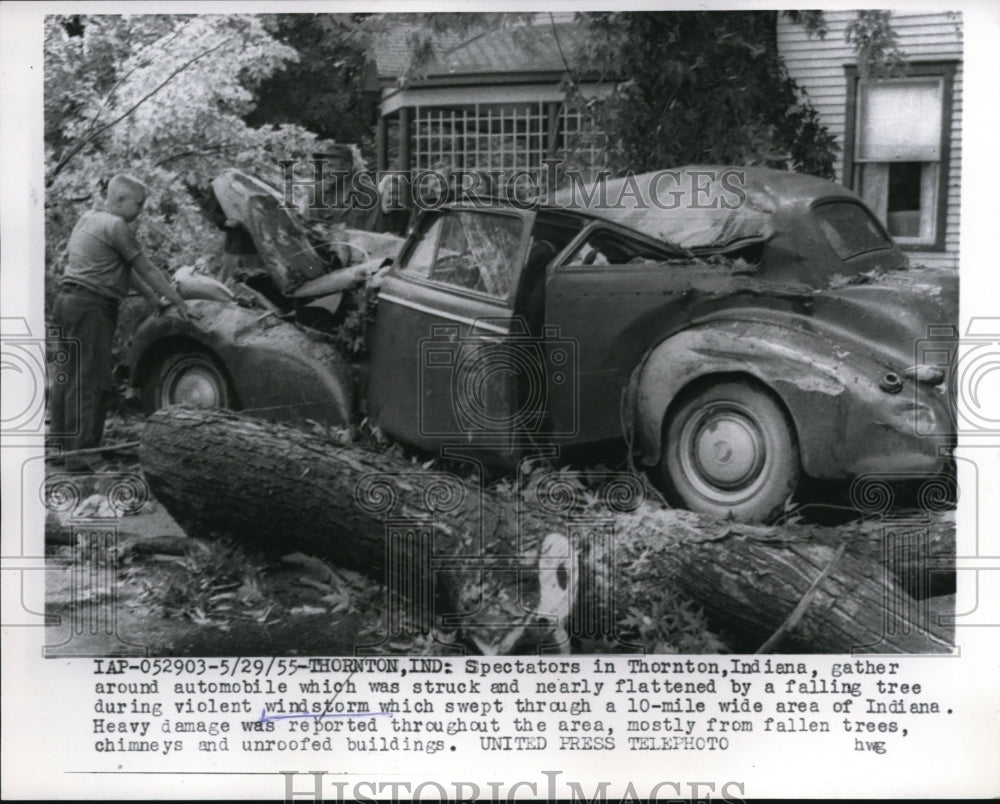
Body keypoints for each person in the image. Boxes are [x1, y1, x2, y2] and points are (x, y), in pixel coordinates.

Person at [50, 174, 196, 470]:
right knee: (90, 380)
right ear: (118, 200)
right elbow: (148, 268)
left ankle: (61, 448)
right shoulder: (117, 226)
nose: (141, 210)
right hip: (92, 307)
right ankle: (84, 454)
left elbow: (125, 270)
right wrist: (178, 300)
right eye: (138, 204)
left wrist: (154, 300)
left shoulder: (89, 218)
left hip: (66, 302)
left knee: (66, 377)